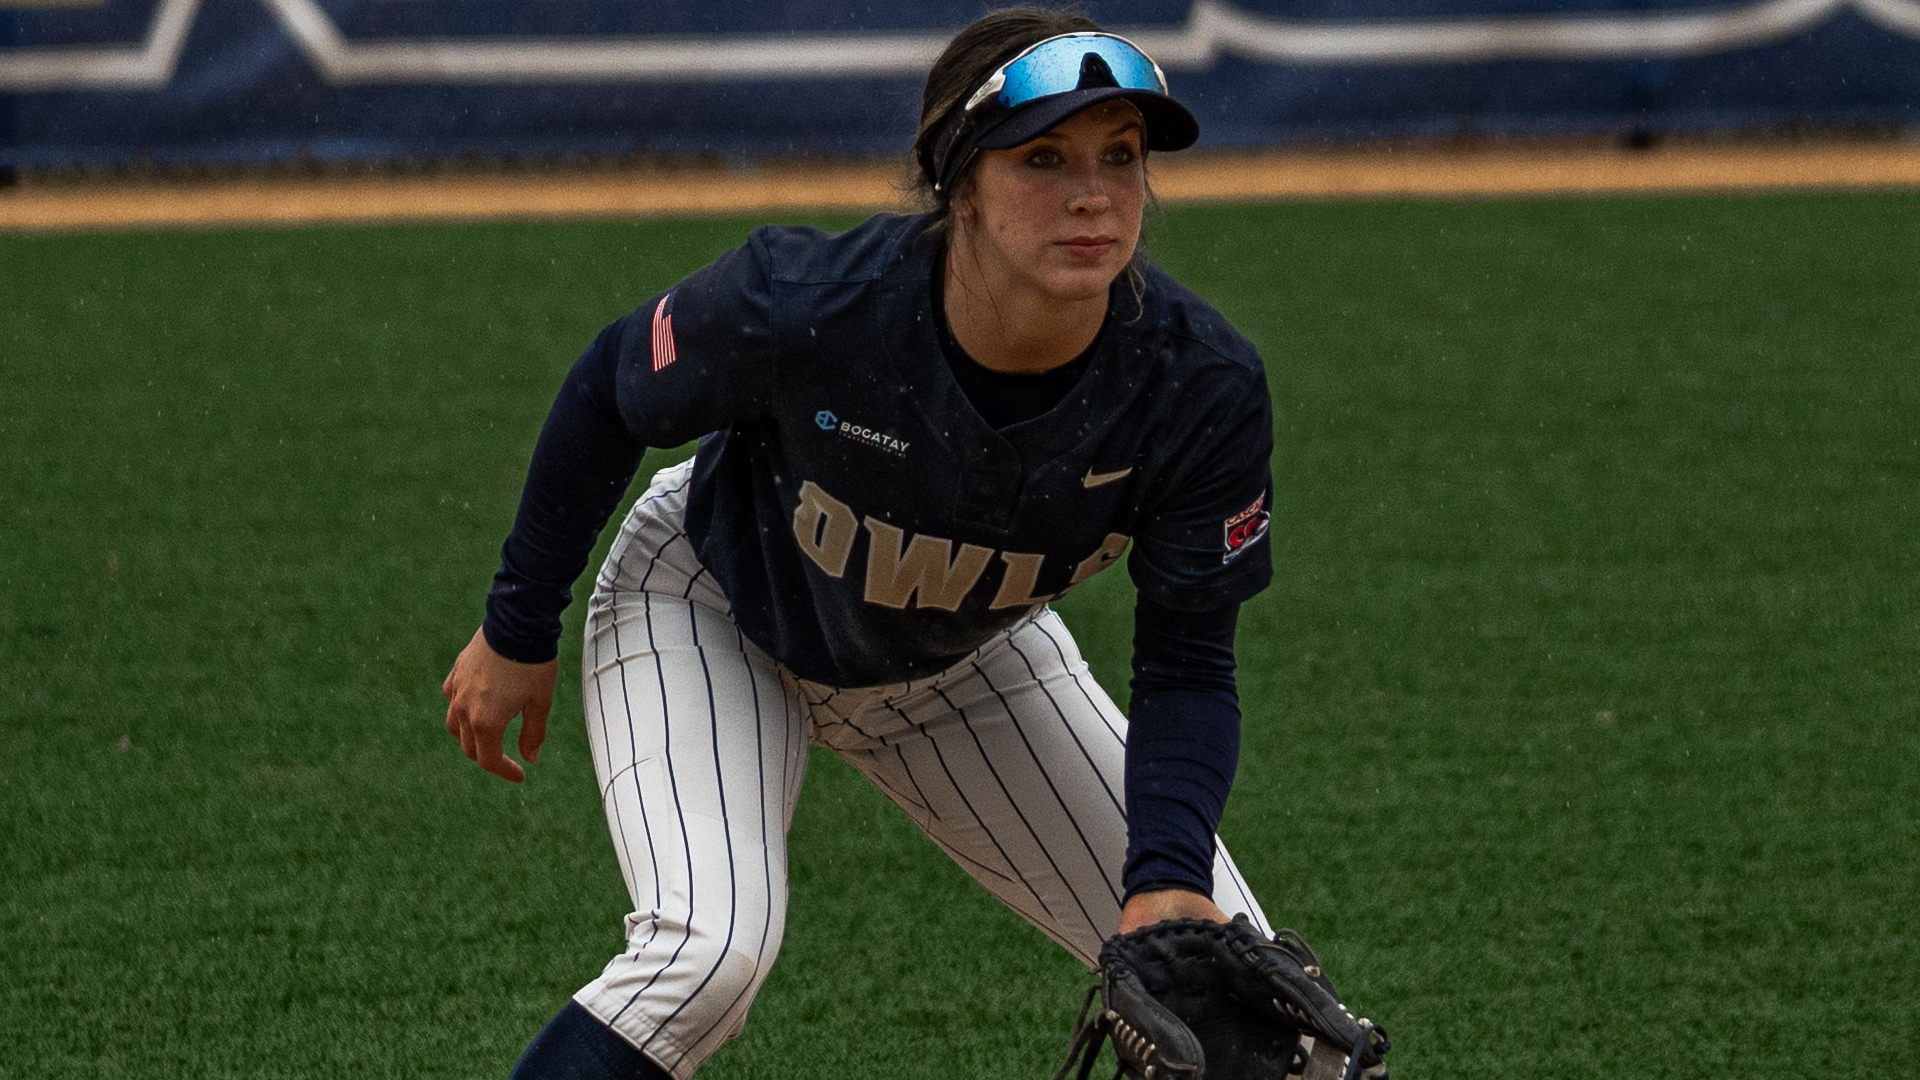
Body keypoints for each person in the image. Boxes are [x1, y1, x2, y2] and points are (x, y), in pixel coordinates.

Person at [441, 8, 1285, 1078]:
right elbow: (612, 389)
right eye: (1043, 157)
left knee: (1231, 1000)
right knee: (706, 958)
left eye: (1122, 157)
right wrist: (519, 627)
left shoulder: (1196, 386)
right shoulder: (809, 303)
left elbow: (1187, 663)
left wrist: (1165, 876)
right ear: (959, 182)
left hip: (963, 662)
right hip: (713, 606)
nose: (1093, 194)